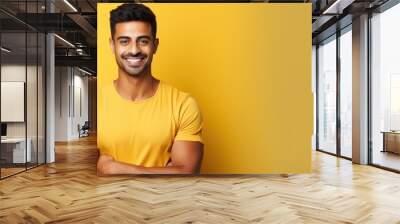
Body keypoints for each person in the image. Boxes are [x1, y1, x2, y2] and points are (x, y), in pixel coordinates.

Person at [97, 3, 204, 175]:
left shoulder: (183, 105)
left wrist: (114, 168)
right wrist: (163, 172)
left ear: (155, 45)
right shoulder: (97, 103)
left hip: (162, 201)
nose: (134, 50)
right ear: (112, 45)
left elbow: (186, 173)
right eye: (124, 41)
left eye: (143, 41)